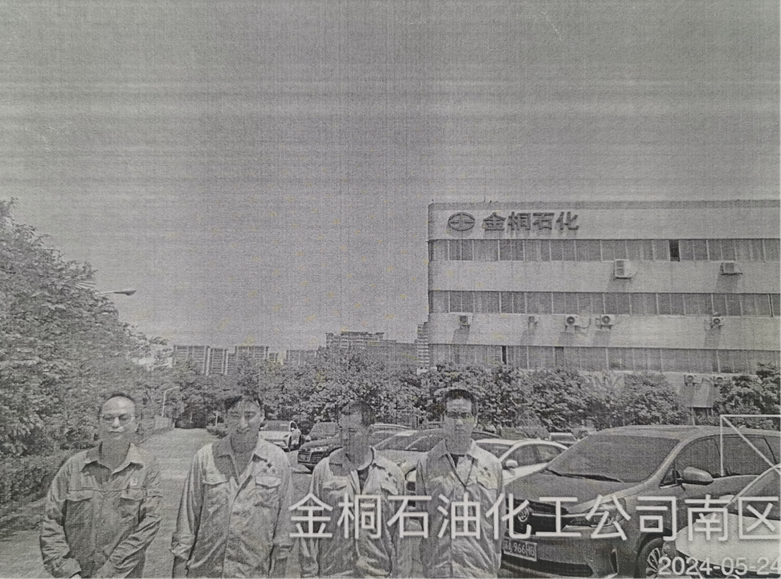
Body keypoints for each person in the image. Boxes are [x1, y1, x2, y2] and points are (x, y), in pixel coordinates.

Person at [40, 392, 162, 579]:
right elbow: (51, 521)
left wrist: (109, 572)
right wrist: (67, 570)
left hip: (123, 575)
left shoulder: (146, 467)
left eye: (123, 418)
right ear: (99, 423)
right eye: (108, 418)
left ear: (136, 423)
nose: (115, 424)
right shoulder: (74, 466)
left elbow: (149, 525)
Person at [171, 393, 292, 579]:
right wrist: (178, 570)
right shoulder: (206, 457)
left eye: (249, 415)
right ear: (225, 417)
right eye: (235, 416)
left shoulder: (278, 460)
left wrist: (279, 570)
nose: (242, 424)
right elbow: (187, 521)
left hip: (254, 572)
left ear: (262, 416)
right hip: (205, 572)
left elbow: (284, 525)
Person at [300, 400, 412, 579]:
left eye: (352, 432)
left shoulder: (392, 474)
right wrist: (309, 573)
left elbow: (402, 535)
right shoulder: (325, 470)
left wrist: (401, 575)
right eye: (341, 430)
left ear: (370, 431)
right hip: (334, 574)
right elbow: (309, 527)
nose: (344, 437)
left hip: (377, 574)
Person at [415, 389, 505, 579]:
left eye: (465, 415)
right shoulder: (427, 463)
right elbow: (423, 517)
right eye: (453, 415)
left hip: (480, 569)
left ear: (475, 419)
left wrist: (494, 557)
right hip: (439, 568)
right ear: (442, 418)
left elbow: (499, 520)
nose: (459, 422)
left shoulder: (491, 464)